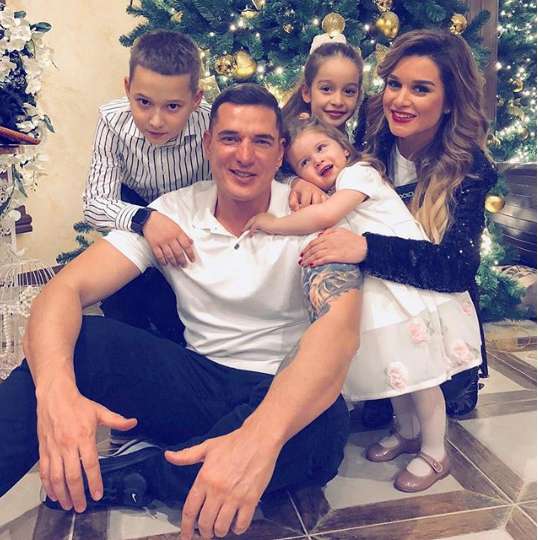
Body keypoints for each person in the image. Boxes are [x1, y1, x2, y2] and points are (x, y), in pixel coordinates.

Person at [0, 84, 362, 540]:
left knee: (324, 427)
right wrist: (55, 396)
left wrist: (258, 438)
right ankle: (201, 463)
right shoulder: (174, 212)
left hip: (283, 385)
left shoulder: (311, 213)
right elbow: (64, 290)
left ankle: (149, 473)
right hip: (197, 384)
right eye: (229, 138)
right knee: (83, 342)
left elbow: (339, 332)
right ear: (208, 143)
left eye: (261, 141)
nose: (244, 155)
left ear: (280, 152)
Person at [246, 115, 483, 491]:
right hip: (384, 293)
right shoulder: (335, 186)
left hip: (408, 289)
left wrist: (270, 223)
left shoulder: (360, 175)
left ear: (344, 148)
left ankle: (436, 451)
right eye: (305, 162)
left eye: (321, 148)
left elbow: (325, 216)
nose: (317, 161)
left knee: (424, 379)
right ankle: (407, 431)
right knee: (399, 369)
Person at [300, 28, 496, 444]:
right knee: (378, 402)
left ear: (449, 101)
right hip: (383, 308)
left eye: (420, 89)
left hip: (438, 315)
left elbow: (457, 267)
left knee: (438, 398)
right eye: (394, 84)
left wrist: (366, 247)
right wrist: (304, 183)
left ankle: (432, 446)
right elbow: (315, 153)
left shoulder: (469, 168)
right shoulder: (373, 133)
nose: (400, 100)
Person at [83, 29, 210, 342]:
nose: (155, 121)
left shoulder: (212, 123)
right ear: (128, 88)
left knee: (184, 320)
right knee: (123, 309)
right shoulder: (112, 120)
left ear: (196, 100)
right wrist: (146, 219)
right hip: (134, 209)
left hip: (193, 218)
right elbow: (95, 202)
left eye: (172, 107)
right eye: (143, 102)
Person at [281, 40, 363, 211]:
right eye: (326, 89)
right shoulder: (290, 138)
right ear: (307, 92)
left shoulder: (361, 137)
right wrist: (295, 182)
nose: (338, 101)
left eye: (349, 91)